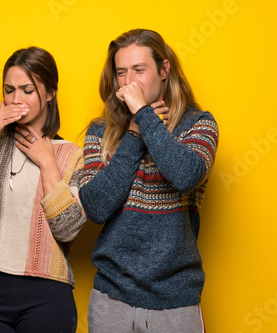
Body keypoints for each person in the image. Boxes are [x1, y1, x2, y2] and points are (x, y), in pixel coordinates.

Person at [79, 29, 219, 332]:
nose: (130, 82)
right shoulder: (99, 132)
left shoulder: (199, 124)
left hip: (176, 301)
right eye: (121, 73)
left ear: (164, 70)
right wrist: (133, 135)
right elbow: (96, 207)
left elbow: (186, 175)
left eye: (139, 70)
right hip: (110, 299)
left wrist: (144, 114)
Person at [0, 46, 86, 333]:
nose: (16, 99)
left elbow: (69, 229)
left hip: (46, 295)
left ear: (49, 94)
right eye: (9, 90)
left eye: (27, 90)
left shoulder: (71, 154)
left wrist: (48, 163)